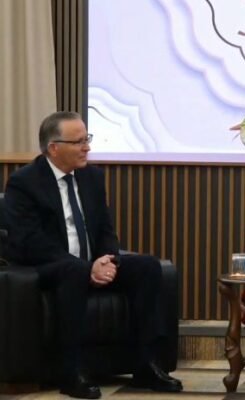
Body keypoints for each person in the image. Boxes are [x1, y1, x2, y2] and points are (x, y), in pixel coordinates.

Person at [3, 111, 183, 399]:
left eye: (87, 139)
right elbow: (30, 242)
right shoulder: (24, 183)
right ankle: (71, 372)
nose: (87, 147)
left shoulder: (92, 177)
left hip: (89, 264)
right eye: (78, 142)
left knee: (148, 267)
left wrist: (108, 260)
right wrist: (85, 268)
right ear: (53, 148)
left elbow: (105, 229)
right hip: (46, 268)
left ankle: (146, 365)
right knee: (74, 271)